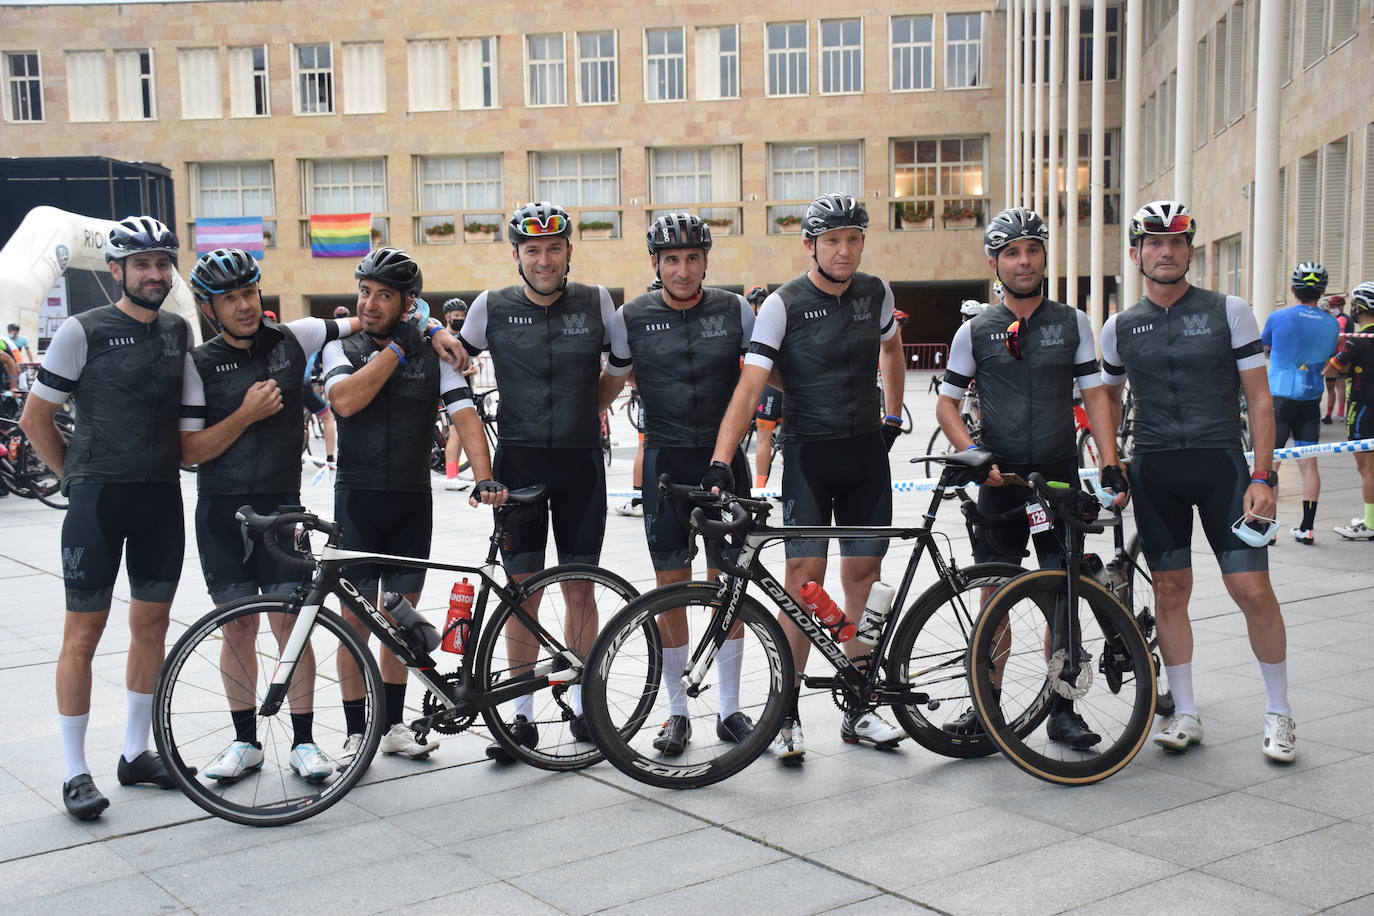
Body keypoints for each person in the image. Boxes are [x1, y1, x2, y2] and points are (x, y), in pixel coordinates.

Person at [704, 193, 907, 764]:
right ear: (811, 244)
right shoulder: (783, 304)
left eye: (853, 239)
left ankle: (860, 705)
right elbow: (750, 386)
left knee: (864, 576)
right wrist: (723, 458)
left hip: (866, 450)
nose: (844, 251)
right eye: (832, 240)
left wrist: (893, 413)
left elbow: (891, 346)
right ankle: (785, 711)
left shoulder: (877, 292)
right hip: (809, 453)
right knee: (802, 579)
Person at [1100, 200, 1295, 763]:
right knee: (1169, 590)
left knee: (1252, 590)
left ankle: (1279, 713)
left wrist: (1265, 475)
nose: (1166, 250)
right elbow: (1106, 396)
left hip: (1222, 467)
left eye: (1177, 241)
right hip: (1155, 469)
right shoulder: (1119, 326)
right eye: (1155, 242)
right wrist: (1112, 460)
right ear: (1137, 252)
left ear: (1190, 250)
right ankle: (1185, 711)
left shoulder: (1229, 310)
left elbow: (1260, 399)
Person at [20, 216, 193, 819]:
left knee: (152, 628)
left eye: (162, 262)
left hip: (159, 498)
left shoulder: (178, 330)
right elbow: (34, 419)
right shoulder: (81, 330)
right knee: (83, 636)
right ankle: (73, 772)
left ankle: (135, 754)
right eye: (142, 264)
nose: (154, 273)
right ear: (116, 270)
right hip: (97, 501)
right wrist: (75, 476)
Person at [935, 207, 1126, 749]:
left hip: (1060, 475)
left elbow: (1095, 395)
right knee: (993, 596)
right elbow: (947, 407)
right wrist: (974, 456)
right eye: (1012, 253)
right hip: (1000, 480)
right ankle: (986, 707)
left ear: (1044, 256)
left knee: (1062, 594)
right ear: (995, 262)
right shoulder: (974, 331)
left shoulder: (1073, 323)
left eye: (1032, 250)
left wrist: (1109, 459)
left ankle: (1062, 709)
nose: (1024, 262)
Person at [179, 248, 361, 782]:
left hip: (283, 510)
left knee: (292, 625)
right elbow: (189, 452)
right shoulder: (199, 364)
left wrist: (434, 329)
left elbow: (373, 315)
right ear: (211, 308)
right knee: (238, 630)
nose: (243, 306)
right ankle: (245, 743)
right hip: (222, 511)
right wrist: (245, 414)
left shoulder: (294, 337)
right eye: (229, 298)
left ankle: (304, 741)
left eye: (249, 293)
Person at [458, 201, 631, 762]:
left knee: (579, 586)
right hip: (520, 462)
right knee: (521, 590)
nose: (544, 258)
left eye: (554, 247)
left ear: (569, 252)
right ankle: (520, 716)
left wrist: (590, 408)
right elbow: (454, 359)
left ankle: (583, 703)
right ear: (516, 256)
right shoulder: (489, 307)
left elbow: (622, 367)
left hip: (580, 461)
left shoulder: (598, 301)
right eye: (532, 249)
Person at [323, 247, 504, 762]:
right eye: (365, 292)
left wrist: (485, 477)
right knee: (354, 620)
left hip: (409, 500)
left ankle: (393, 726)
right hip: (357, 498)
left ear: (408, 302)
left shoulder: (436, 355)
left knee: (398, 620)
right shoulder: (344, 348)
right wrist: (402, 348)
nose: (371, 303)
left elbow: (466, 415)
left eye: (384, 295)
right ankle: (356, 730)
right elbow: (346, 401)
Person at [602, 213, 758, 752]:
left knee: (727, 587)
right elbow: (611, 379)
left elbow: (768, 370)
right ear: (655, 264)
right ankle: (675, 714)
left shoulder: (735, 309)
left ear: (706, 260)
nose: (684, 269)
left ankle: (732, 709)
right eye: (672, 259)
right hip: (665, 462)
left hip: (724, 460)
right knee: (670, 587)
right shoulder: (630, 317)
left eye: (693, 258)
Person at [1261, 262, 1339, 545]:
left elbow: (1266, 347)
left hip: (1280, 395)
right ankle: (1307, 528)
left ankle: (1266, 527)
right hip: (1311, 396)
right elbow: (1329, 353)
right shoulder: (1332, 323)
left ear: (1293, 289)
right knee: (1309, 464)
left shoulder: (1278, 317)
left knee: (1271, 463)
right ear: (1321, 292)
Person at [1325, 282, 1374, 540]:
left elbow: (1331, 368)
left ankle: (1370, 523)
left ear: (1360, 307)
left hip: (1363, 408)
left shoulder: (1358, 340)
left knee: (1367, 469)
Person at [440, 297, 478, 492]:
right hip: (449, 393)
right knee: (456, 433)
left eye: (463, 316)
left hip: (466, 390)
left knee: (462, 433)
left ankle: (454, 472)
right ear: (447, 317)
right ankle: (451, 476)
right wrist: (466, 371)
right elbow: (446, 370)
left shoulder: (464, 338)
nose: (460, 319)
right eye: (457, 316)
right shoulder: (442, 338)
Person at [1322, 295, 1353, 425]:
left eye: (1334, 306)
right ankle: (1340, 413)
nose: (1332, 309)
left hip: (1339, 356)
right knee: (1339, 385)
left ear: (1340, 306)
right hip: (1343, 355)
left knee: (1339, 385)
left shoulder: (1341, 319)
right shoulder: (1347, 318)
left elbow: (1338, 338)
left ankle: (1340, 413)